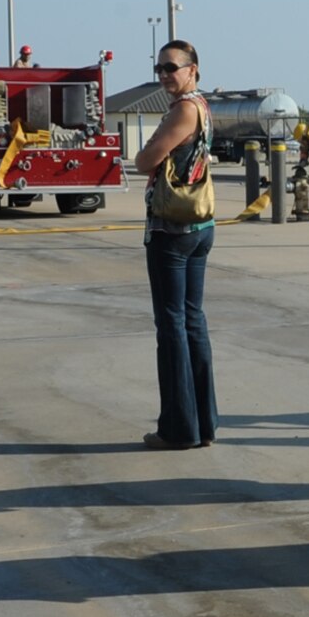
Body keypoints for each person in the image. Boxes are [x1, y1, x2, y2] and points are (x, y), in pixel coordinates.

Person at [136, 40, 219, 450]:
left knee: (172, 326)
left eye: (172, 67)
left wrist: (148, 149)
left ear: (193, 69)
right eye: (160, 68)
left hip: (173, 231)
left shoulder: (184, 110)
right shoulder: (202, 107)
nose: (165, 75)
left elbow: (145, 161)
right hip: (199, 225)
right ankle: (204, 425)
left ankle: (178, 429)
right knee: (192, 321)